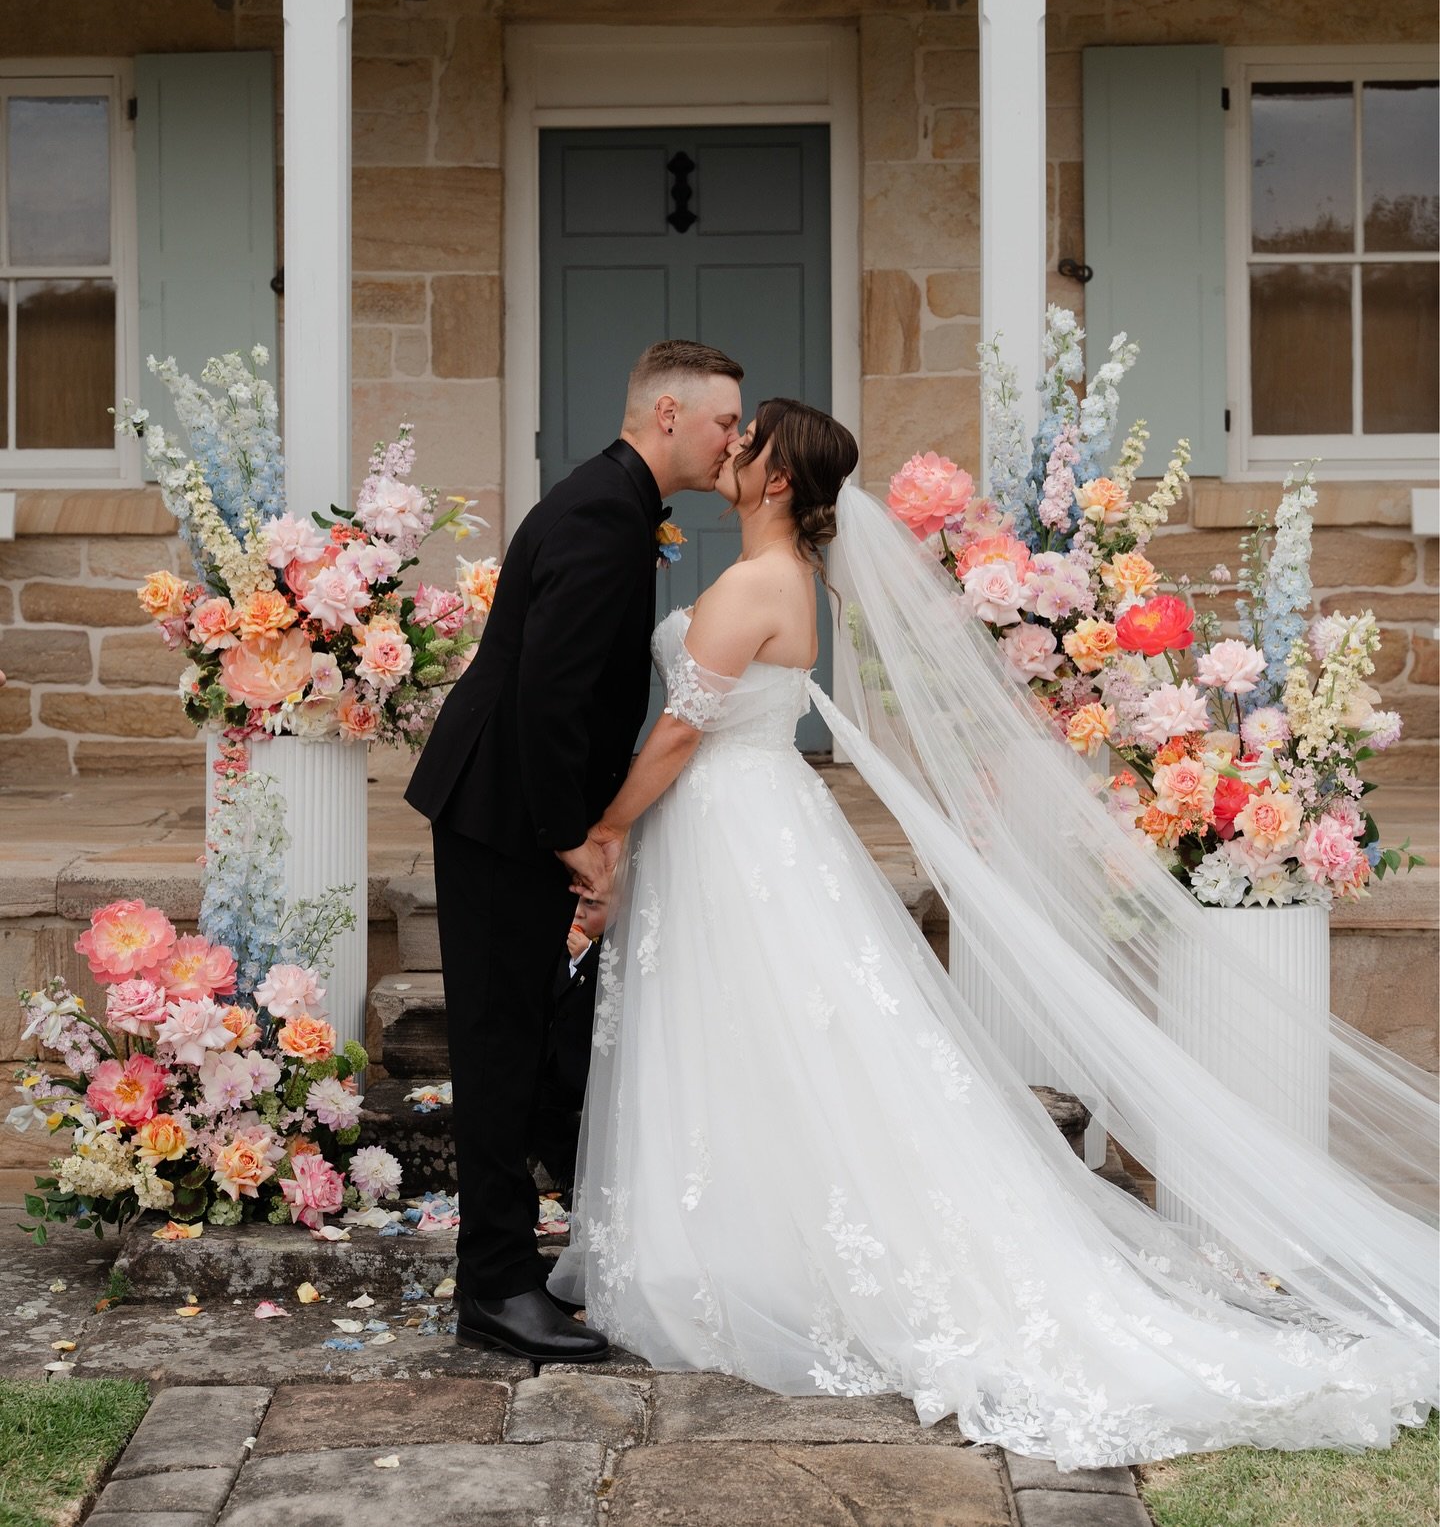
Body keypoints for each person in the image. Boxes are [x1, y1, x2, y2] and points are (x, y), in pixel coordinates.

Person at [550, 397, 1438, 1469]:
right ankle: (747, 1241)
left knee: (778, 1032)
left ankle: (763, 1260)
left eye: (748, 443)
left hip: (740, 828)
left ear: (779, 477)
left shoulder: (753, 584)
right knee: (762, 1040)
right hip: (743, 827)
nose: (730, 452)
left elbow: (685, 728)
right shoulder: (783, 580)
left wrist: (604, 827)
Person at [404, 339, 743, 1363]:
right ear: (671, 414)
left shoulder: (611, 500)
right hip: (505, 811)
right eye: (727, 420)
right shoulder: (602, 516)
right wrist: (577, 844)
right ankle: (495, 1289)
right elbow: (551, 698)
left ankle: (523, 1258)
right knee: (500, 1050)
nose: (737, 438)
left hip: (508, 806)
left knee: (532, 1038)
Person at [528, 918, 601, 1211]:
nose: (579, 916)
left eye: (591, 906)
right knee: (536, 1105)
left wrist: (588, 958)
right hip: (560, 1063)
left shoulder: (611, 949)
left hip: (597, 1065)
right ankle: (571, 1175)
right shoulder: (557, 944)